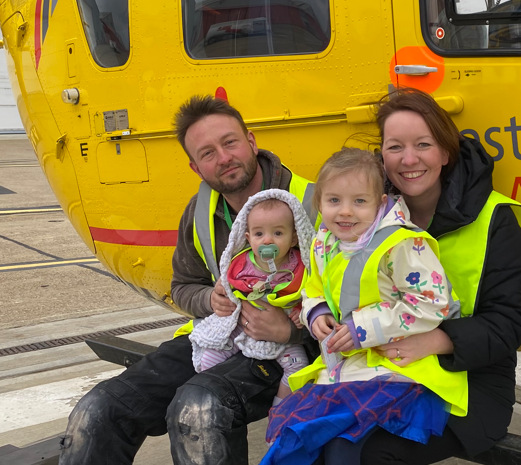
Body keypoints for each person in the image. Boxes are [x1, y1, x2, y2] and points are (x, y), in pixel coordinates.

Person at [59, 95, 318, 465]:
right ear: (196, 167)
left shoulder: (312, 202)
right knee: (97, 409)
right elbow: (183, 287)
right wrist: (210, 301)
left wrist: (292, 329)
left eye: (230, 142)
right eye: (208, 153)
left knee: (199, 408)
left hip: (296, 349)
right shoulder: (198, 213)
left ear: (252, 141)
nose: (224, 157)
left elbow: (353, 295)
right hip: (222, 336)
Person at [355, 87, 521, 463]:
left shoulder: (495, 219)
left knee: (370, 454)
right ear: (381, 156)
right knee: (315, 440)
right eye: (394, 147)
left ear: (445, 153)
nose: (408, 159)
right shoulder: (368, 216)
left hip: (472, 382)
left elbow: (509, 324)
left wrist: (438, 341)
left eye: (423, 144)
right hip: (382, 370)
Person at [261, 148, 466, 465]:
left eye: (359, 201)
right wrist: (316, 312)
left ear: (381, 203)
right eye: (334, 201)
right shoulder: (324, 243)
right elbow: (313, 287)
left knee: (342, 450)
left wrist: (362, 328)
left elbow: (431, 302)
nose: (345, 212)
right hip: (349, 370)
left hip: (397, 372)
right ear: (320, 204)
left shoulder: (401, 243)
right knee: (305, 447)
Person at [189, 190, 316, 407]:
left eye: (277, 233)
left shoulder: (303, 267)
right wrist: (223, 289)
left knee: (299, 365)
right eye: (259, 234)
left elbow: (311, 293)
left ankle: (280, 407)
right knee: (210, 356)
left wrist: (300, 313)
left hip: (284, 333)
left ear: (294, 237)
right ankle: (210, 397)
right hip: (241, 326)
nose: (267, 240)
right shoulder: (241, 264)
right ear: (247, 238)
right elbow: (228, 286)